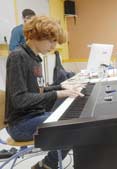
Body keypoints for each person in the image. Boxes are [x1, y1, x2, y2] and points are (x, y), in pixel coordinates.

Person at [5, 16, 83, 169]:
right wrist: (58, 94)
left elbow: (38, 90)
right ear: (36, 35)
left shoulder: (35, 59)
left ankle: (48, 164)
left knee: (76, 120)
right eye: (51, 40)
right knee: (73, 127)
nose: (54, 46)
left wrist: (62, 88)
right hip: (20, 124)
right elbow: (19, 99)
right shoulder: (18, 57)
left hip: (34, 116)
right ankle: (47, 165)